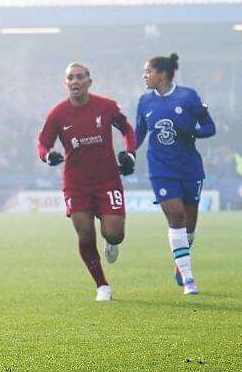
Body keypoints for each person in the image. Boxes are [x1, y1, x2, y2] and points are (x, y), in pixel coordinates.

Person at [37, 62, 137, 301]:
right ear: (66, 84)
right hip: (76, 183)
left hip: (107, 179)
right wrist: (47, 156)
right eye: (70, 78)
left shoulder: (106, 106)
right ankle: (102, 285)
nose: (75, 82)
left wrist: (130, 153)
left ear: (89, 82)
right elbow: (43, 144)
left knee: (114, 233)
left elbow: (127, 129)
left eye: (80, 77)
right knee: (85, 235)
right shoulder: (57, 114)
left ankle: (111, 242)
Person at [136, 52, 216, 296]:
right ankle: (190, 279)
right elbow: (138, 133)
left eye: (148, 71)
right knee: (177, 218)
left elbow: (210, 127)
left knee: (188, 227)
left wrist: (192, 132)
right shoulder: (144, 101)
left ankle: (180, 266)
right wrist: (128, 153)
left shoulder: (188, 97)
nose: (144, 76)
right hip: (161, 170)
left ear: (161, 74)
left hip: (189, 168)